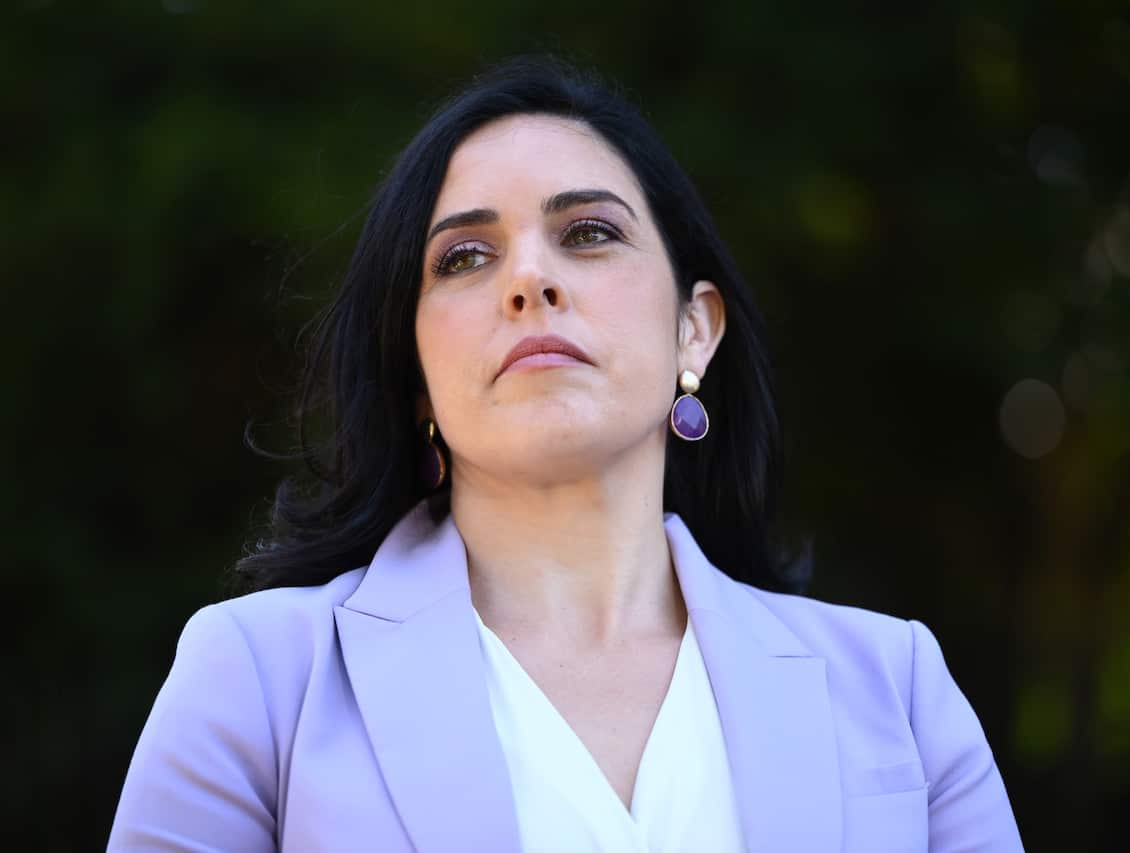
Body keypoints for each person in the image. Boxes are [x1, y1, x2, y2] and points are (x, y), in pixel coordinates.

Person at [107, 56, 1024, 852]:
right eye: (464, 256)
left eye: (588, 232)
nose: (528, 279)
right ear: (416, 375)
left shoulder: (896, 689)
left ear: (694, 333)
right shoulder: (257, 682)